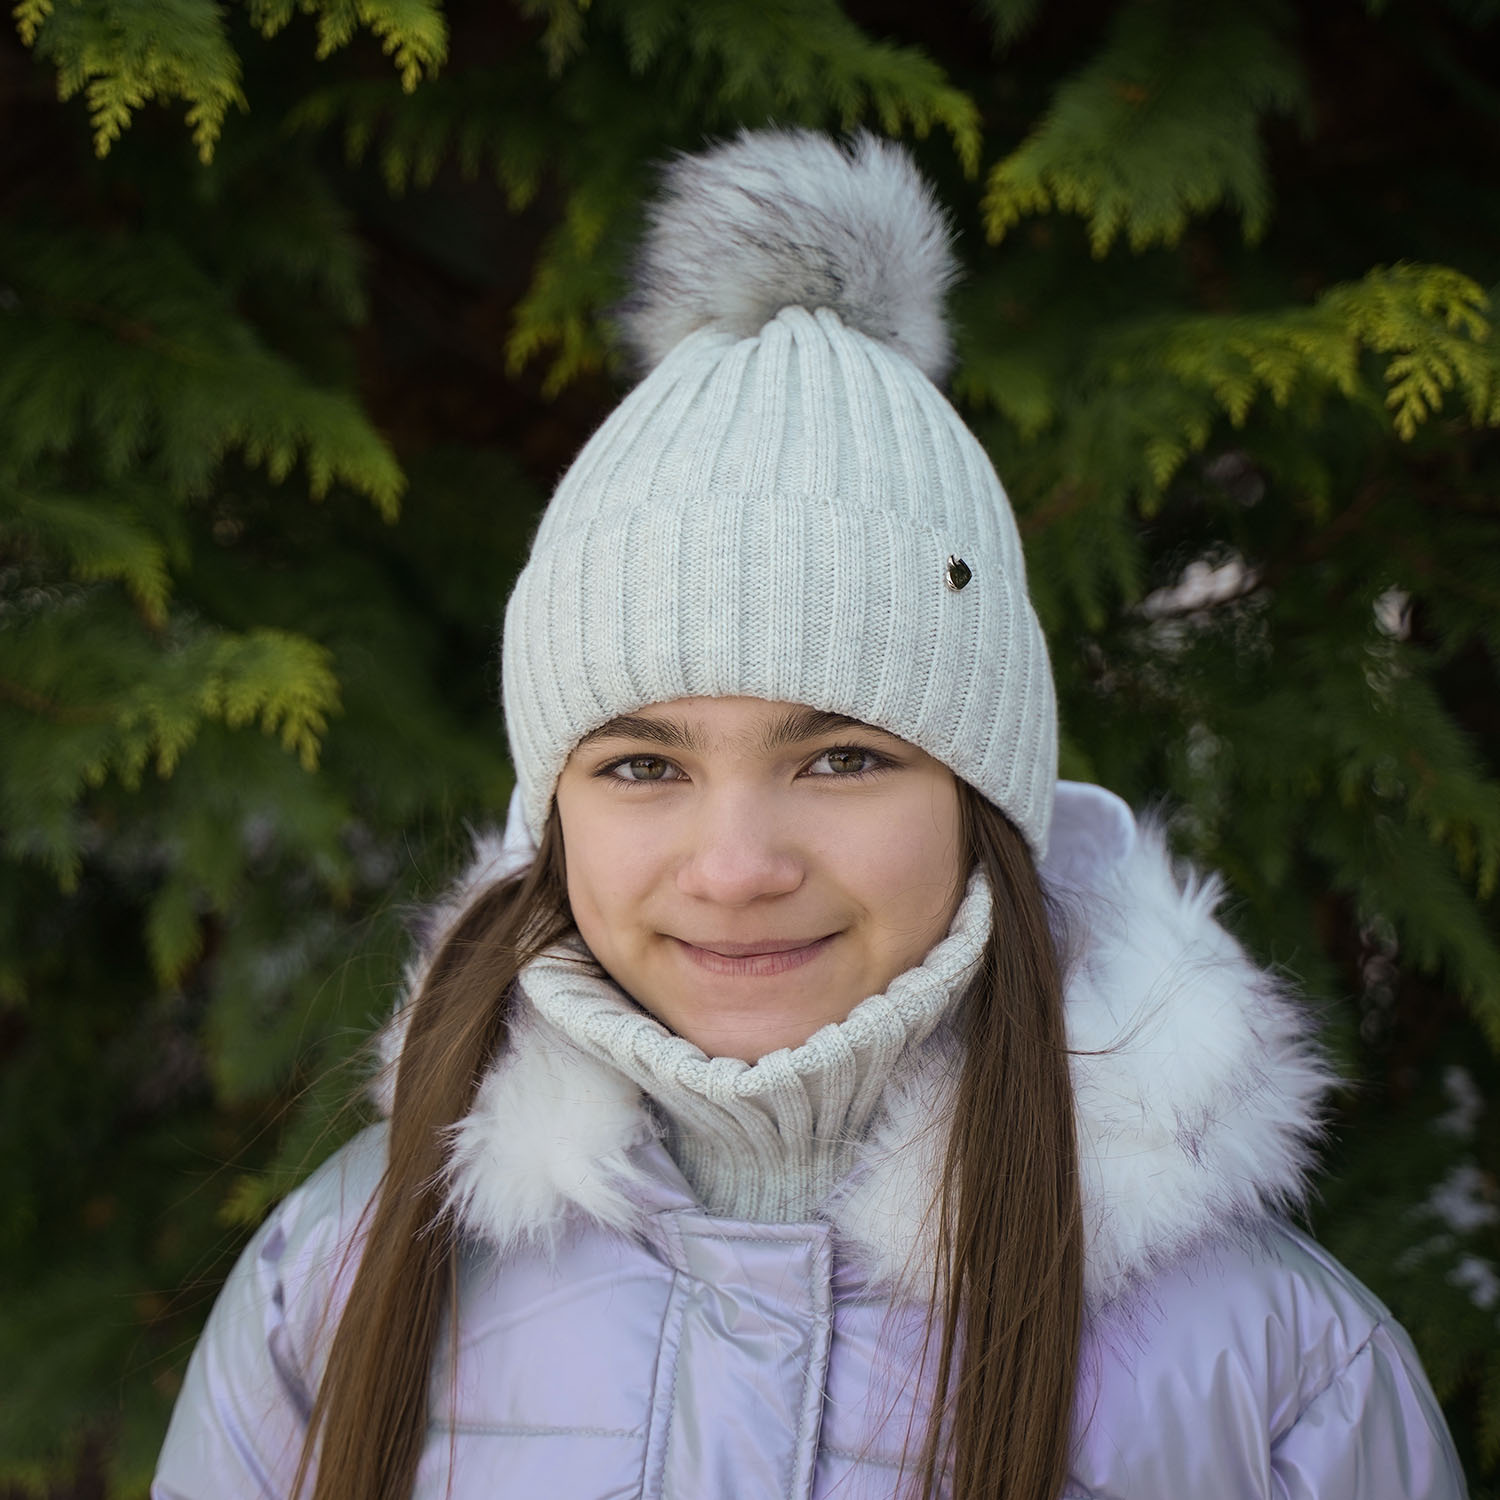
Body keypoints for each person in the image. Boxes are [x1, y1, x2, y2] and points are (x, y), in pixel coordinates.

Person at [153, 129, 1468, 1500]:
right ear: (553, 813)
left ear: (981, 801)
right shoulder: (340, 1286)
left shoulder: (1275, 1374)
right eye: (643, 766)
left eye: (841, 758)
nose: (735, 867)